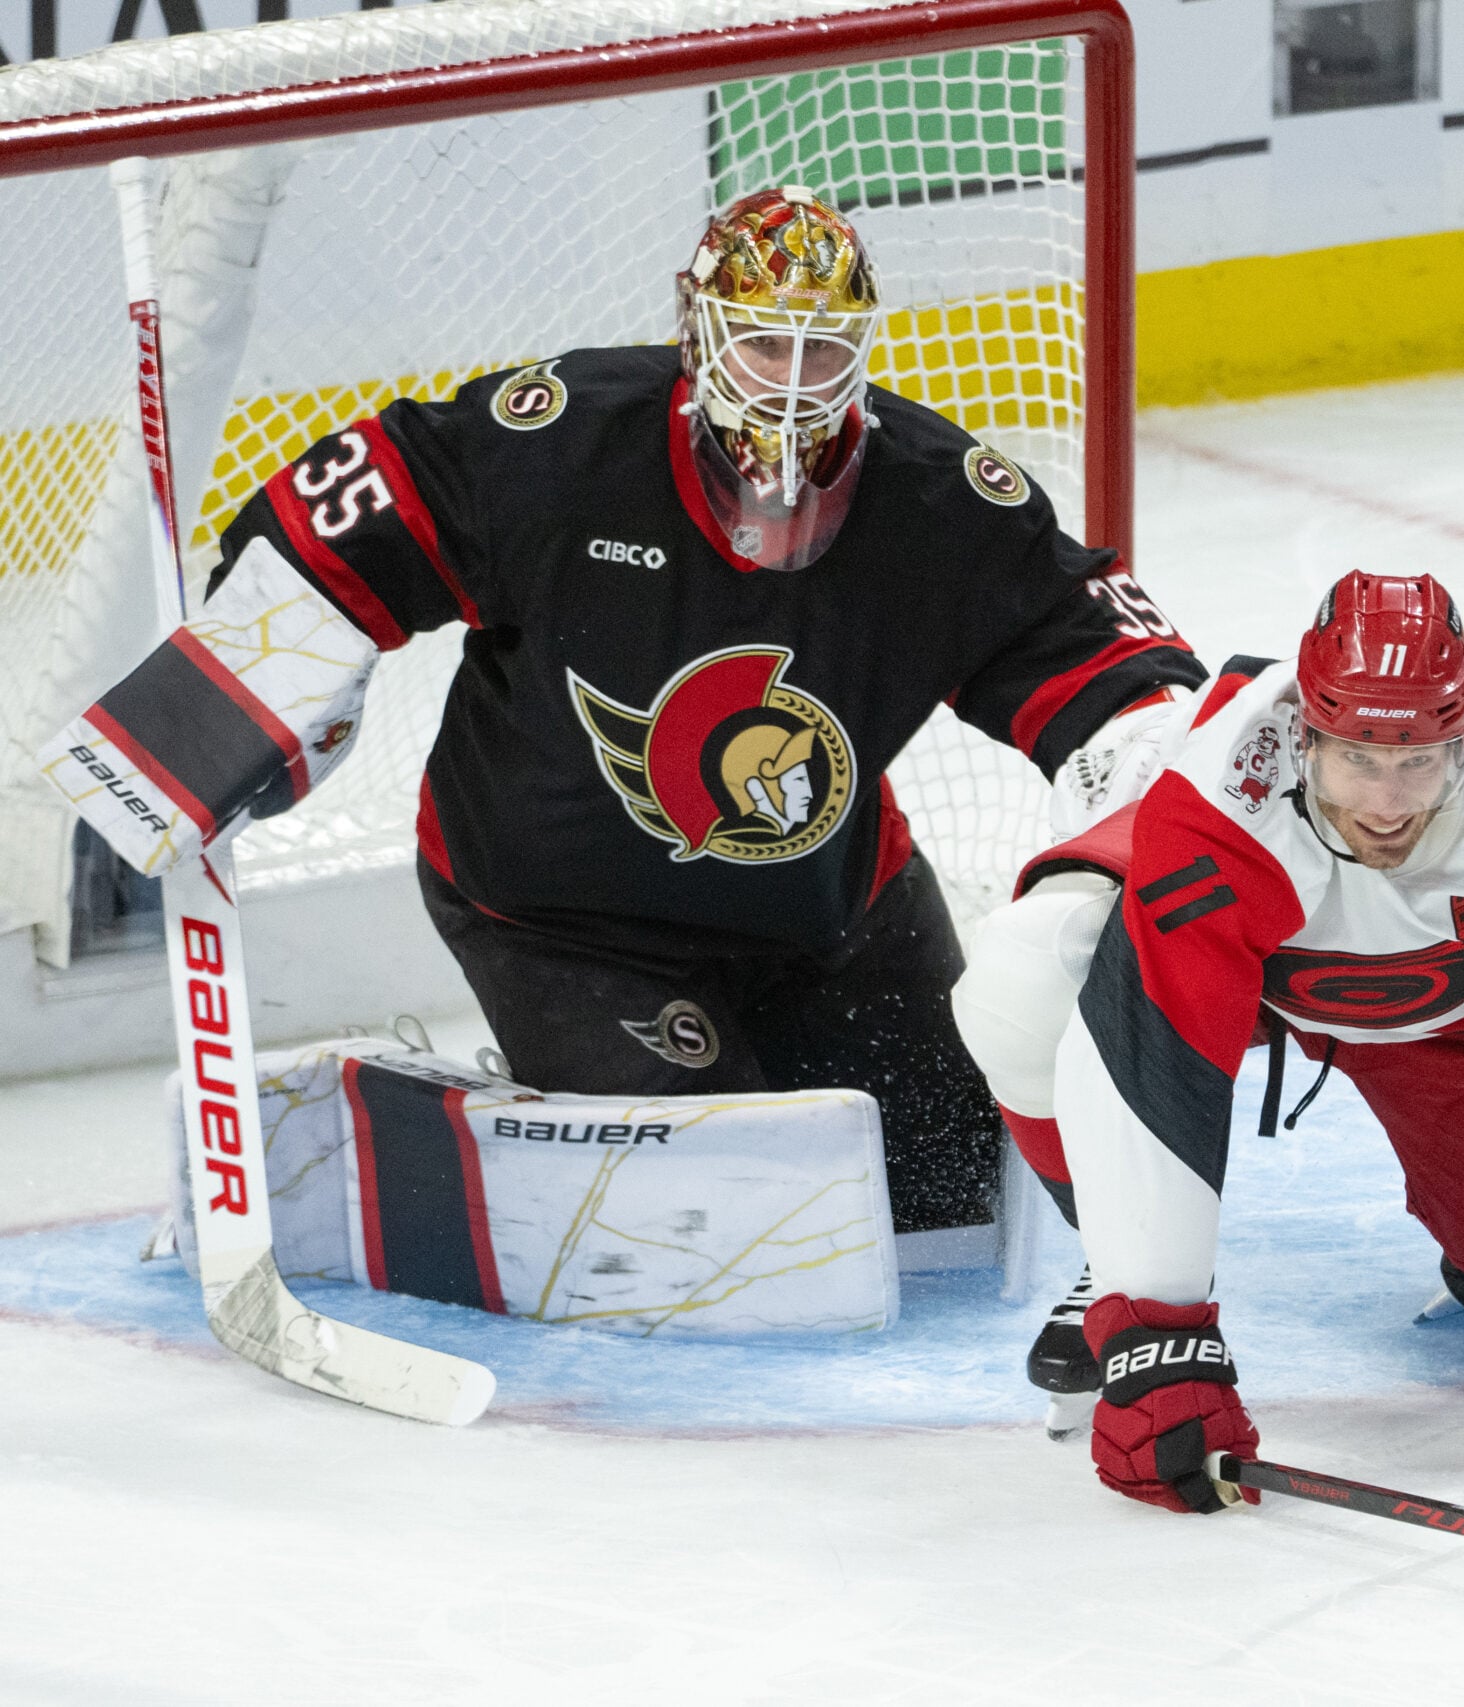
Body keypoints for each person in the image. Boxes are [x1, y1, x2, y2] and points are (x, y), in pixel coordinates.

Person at [45, 186, 1202, 1244]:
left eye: (824, 347)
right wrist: (239, 702)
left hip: (834, 912)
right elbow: (358, 506)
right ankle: (445, 1101)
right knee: (723, 1222)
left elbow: (1098, 664)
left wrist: (1151, 809)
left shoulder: (941, 504)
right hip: (562, 920)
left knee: (949, 1195)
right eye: (761, 340)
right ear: (695, 324)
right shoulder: (563, 442)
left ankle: (583, 1088)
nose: (791, 377)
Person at [950, 571, 1464, 1511]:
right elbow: (1156, 1062)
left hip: (1459, 1020)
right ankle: (1110, 1261)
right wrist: (1154, 1337)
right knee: (1024, 974)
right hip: (1257, 976)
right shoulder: (1216, 806)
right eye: (1359, 759)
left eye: (1418, 761)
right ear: (1302, 734)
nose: (1386, 802)